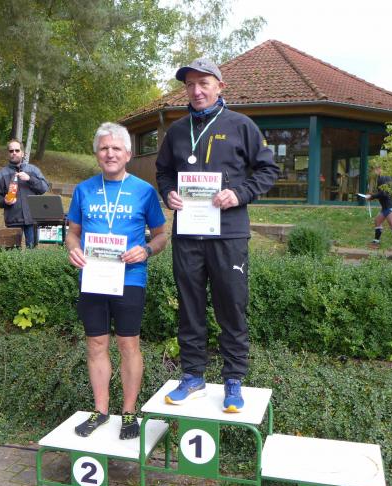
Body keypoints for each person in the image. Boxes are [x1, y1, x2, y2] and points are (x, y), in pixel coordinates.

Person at [155, 57, 279, 413]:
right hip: (188, 234)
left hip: (229, 235)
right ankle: (192, 376)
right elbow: (163, 172)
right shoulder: (177, 131)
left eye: (203, 83)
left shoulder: (241, 125)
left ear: (220, 86)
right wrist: (168, 193)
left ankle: (234, 379)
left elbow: (268, 170)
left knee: (231, 305)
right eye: (190, 84)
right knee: (189, 306)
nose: (196, 91)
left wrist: (239, 194)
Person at [66, 122, 167, 439]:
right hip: (93, 277)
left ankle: (129, 413)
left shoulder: (144, 191)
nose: (110, 153)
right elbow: (72, 233)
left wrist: (146, 250)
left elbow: (162, 236)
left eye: (116, 148)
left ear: (128, 154)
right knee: (96, 343)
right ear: (97, 153)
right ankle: (100, 411)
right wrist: (73, 249)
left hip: (130, 278)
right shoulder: (84, 190)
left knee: (128, 344)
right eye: (104, 148)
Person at [0, 139, 50, 248]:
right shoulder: (2, 174)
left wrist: (30, 179)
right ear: (8, 154)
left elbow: (44, 188)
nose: (14, 153)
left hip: (32, 219)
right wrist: (5, 201)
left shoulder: (33, 170)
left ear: (22, 153)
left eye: (17, 150)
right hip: (13, 219)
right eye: (11, 151)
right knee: (12, 253)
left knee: (32, 253)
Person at [364, 166, 392, 247]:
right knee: (377, 221)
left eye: (376, 169)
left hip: (390, 205)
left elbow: (384, 193)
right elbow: (382, 192)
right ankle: (376, 241)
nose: (375, 171)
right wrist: (372, 196)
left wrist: (372, 197)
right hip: (385, 206)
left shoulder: (385, 178)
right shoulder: (383, 178)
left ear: (380, 169)